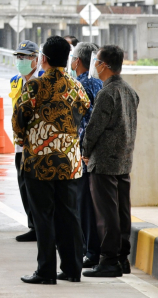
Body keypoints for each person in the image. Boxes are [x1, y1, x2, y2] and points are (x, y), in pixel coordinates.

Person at [13, 36, 90, 285]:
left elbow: (19, 118)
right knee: (69, 215)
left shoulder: (35, 85)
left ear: (43, 58)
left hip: (39, 161)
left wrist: (25, 139)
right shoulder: (75, 85)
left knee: (43, 216)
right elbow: (83, 109)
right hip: (69, 160)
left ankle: (45, 271)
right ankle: (72, 269)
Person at [82, 45, 139, 278]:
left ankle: (108, 260)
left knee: (106, 214)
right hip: (124, 160)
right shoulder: (129, 91)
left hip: (104, 162)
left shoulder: (106, 94)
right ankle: (122, 259)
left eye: (96, 61)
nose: (94, 65)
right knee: (122, 211)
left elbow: (94, 129)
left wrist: (85, 150)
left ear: (104, 65)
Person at [70, 42, 103, 269]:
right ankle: (94, 250)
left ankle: (88, 251)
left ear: (78, 61)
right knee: (96, 203)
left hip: (82, 153)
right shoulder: (101, 84)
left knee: (84, 204)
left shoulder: (76, 87)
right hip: (100, 153)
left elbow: (74, 122)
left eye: (73, 58)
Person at [9, 40, 42, 242]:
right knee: (24, 187)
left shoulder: (43, 81)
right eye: (19, 57)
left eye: (26, 57)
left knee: (38, 188)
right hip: (20, 144)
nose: (21, 60)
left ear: (36, 59)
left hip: (37, 145)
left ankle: (42, 227)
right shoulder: (15, 81)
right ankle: (33, 226)